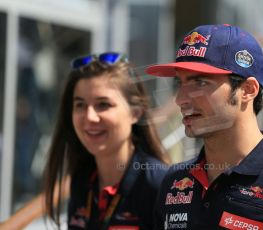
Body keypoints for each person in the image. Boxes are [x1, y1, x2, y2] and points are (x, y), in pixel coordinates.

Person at [145, 24, 263, 230]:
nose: (181, 99)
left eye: (200, 83)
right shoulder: (174, 183)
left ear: (248, 90)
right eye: (180, 84)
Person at [41, 52, 169, 230]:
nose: (90, 117)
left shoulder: (160, 185)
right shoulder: (81, 182)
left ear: (136, 112)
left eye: (103, 105)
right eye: (80, 105)